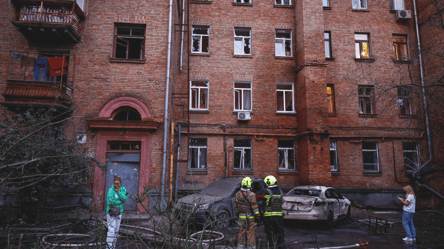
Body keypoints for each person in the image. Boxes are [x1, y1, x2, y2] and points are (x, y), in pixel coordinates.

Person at [257, 175, 287, 249]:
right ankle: (282, 247)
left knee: (270, 234)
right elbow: (282, 202)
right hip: (279, 216)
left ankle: (271, 247)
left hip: (268, 217)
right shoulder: (280, 191)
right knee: (280, 233)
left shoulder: (265, 192)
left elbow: (256, 196)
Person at [235, 177, 260, 249]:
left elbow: (236, 206)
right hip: (250, 218)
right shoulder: (251, 194)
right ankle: (251, 247)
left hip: (241, 218)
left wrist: (238, 215)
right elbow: (254, 208)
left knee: (241, 233)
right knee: (251, 233)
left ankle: (240, 247)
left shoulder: (237, 194)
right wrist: (258, 217)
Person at [106, 175, 128, 249]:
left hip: (119, 212)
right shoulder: (110, 190)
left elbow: (125, 198)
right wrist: (120, 202)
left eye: (117, 184)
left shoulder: (123, 189)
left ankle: (113, 246)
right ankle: (109, 247)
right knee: (111, 230)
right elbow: (109, 202)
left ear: (120, 183)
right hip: (111, 213)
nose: (116, 185)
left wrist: (118, 192)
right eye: (115, 183)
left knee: (116, 230)